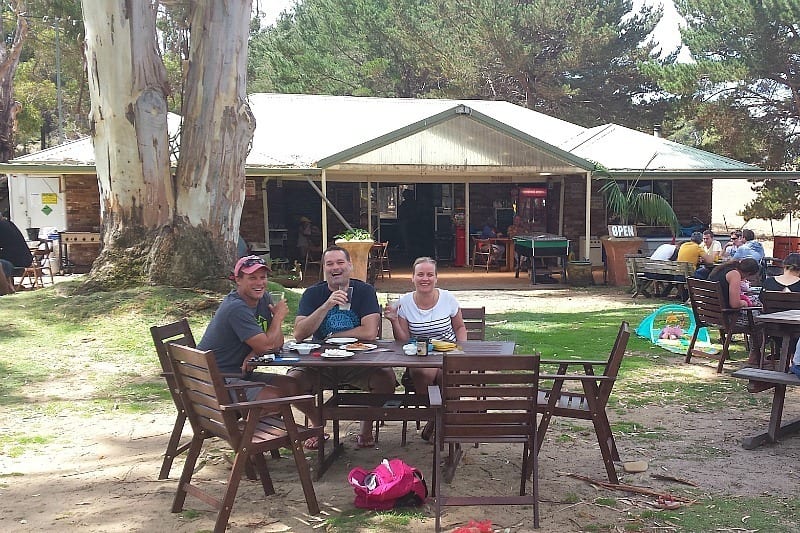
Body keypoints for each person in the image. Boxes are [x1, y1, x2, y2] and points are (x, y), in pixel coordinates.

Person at [289, 245, 396, 449]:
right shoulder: (313, 294)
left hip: (359, 363)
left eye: (340, 263)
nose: (335, 267)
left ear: (350, 265)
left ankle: (366, 428)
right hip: (321, 363)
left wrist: (334, 335)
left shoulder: (364, 291)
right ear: (324, 268)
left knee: (387, 380)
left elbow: (370, 332)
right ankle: (317, 423)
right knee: (291, 383)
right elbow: (299, 333)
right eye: (329, 264)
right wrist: (326, 305)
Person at [197, 255, 302, 407]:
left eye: (263, 277)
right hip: (217, 380)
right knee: (275, 397)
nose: (259, 283)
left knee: (292, 385)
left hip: (239, 373)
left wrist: (254, 352)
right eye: (252, 278)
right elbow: (267, 346)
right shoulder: (236, 308)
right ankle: (249, 430)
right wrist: (278, 318)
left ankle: (317, 427)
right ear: (238, 280)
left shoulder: (264, 298)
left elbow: (277, 344)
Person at [384, 257, 467, 441]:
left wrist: (461, 349)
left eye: (430, 274)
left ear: (436, 278)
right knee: (425, 373)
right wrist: (394, 320)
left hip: (448, 352)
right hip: (420, 355)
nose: (425, 279)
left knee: (449, 373)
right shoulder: (404, 302)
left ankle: (435, 421)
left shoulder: (448, 298)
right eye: (420, 274)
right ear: (412, 278)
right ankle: (437, 417)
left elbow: (460, 327)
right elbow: (403, 341)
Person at [707, 258, 763, 367]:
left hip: (710, 315)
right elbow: (735, 304)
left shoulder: (723, 269)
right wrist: (746, 303)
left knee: (757, 316)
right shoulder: (735, 274)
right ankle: (754, 356)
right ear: (748, 273)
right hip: (727, 319)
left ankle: (755, 355)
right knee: (762, 321)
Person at [0, 216, 33, 295]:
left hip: (16, 261)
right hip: (26, 257)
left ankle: (6, 289)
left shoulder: (2, 226)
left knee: (2, 264)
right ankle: (9, 286)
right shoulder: (9, 224)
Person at [397, 189, 417, 256]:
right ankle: (407, 249)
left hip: (408, 223)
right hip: (406, 222)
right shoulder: (406, 203)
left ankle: (408, 250)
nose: (404, 196)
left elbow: (411, 213)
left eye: (405, 195)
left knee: (407, 237)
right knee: (405, 237)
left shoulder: (410, 204)